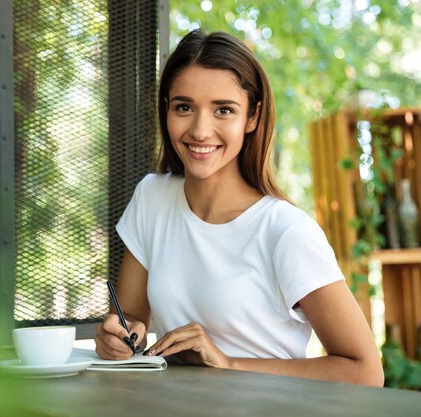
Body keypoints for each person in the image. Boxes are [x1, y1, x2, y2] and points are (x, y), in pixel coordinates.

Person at [95, 29, 384, 387]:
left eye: (223, 110)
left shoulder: (285, 232)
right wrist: (118, 340)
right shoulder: (152, 198)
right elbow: (131, 318)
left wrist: (228, 363)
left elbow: (365, 372)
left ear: (252, 117)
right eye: (184, 107)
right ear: (166, 108)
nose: (200, 130)